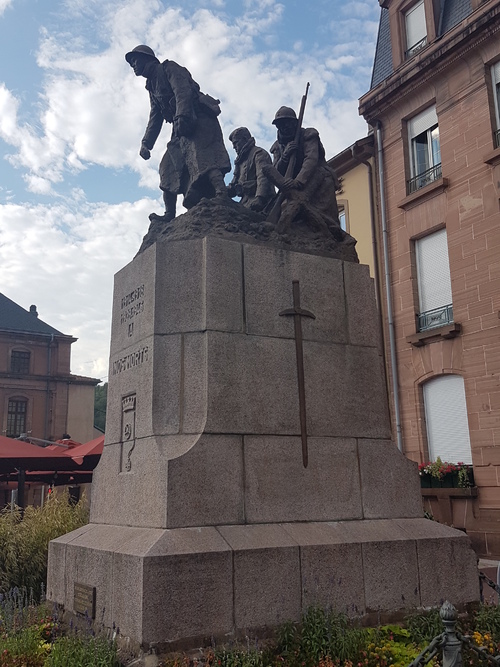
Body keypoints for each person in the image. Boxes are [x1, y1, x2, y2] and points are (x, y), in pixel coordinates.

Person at [125, 45, 231, 224]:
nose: (133, 65)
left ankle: (221, 193)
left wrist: (182, 115)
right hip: (179, 126)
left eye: (135, 61)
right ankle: (169, 214)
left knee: (204, 158)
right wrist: (146, 143)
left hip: (198, 117)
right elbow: (155, 116)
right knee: (168, 166)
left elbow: (183, 91)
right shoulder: (151, 86)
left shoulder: (169, 68)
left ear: (146, 59)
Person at [265, 106, 343, 239]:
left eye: (287, 123)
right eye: (280, 124)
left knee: (323, 202)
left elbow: (311, 159)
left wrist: (299, 181)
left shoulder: (308, 135)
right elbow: (276, 171)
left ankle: (330, 230)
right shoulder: (277, 146)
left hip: (317, 176)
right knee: (286, 207)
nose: (284, 127)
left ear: (295, 123)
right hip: (291, 182)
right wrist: (285, 156)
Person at [227, 127, 275, 212]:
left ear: (245, 139)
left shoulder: (258, 154)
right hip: (245, 201)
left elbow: (263, 177)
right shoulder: (240, 160)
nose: (234, 147)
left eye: (236, 143)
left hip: (263, 202)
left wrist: (260, 197)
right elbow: (234, 184)